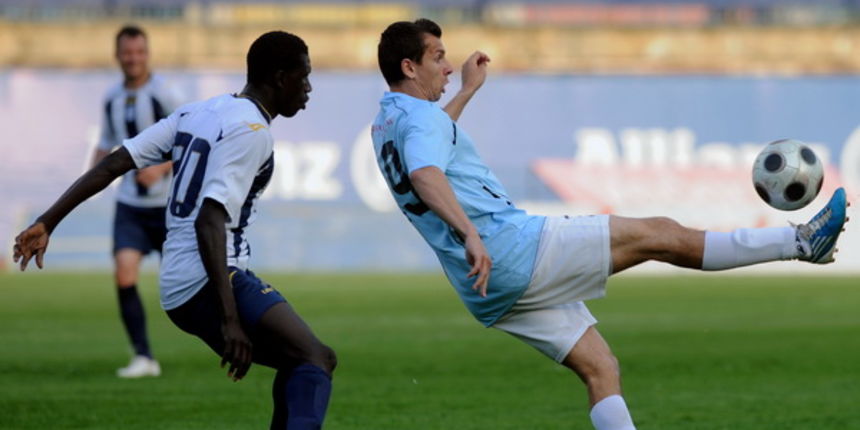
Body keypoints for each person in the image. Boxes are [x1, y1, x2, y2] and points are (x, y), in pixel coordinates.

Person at [371, 18, 849, 430]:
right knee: (660, 234)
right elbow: (426, 173)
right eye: (438, 58)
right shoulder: (421, 124)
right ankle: (802, 242)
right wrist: (471, 232)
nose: (448, 67)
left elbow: (433, 144)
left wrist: (467, 93)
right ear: (409, 67)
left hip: (485, 288)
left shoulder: (389, 122)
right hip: (514, 250)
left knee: (601, 368)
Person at [14, 31, 335, 429]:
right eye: (304, 77)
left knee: (298, 359)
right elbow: (209, 219)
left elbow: (115, 163)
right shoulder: (253, 133)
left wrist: (48, 220)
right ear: (280, 77)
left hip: (178, 285)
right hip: (212, 278)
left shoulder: (197, 113)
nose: (308, 88)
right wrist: (229, 317)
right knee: (317, 359)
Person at [94, 25, 183, 378]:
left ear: (147, 54)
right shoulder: (112, 97)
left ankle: (231, 340)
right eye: (127, 53)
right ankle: (143, 356)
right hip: (130, 204)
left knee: (185, 281)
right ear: (118, 55)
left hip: (167, 206)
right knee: (124, 272)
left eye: (139, 52)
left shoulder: (165, 93)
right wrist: (88, 181)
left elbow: (192, 141)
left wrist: (161, 169)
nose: (133, 58)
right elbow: (105, 143)